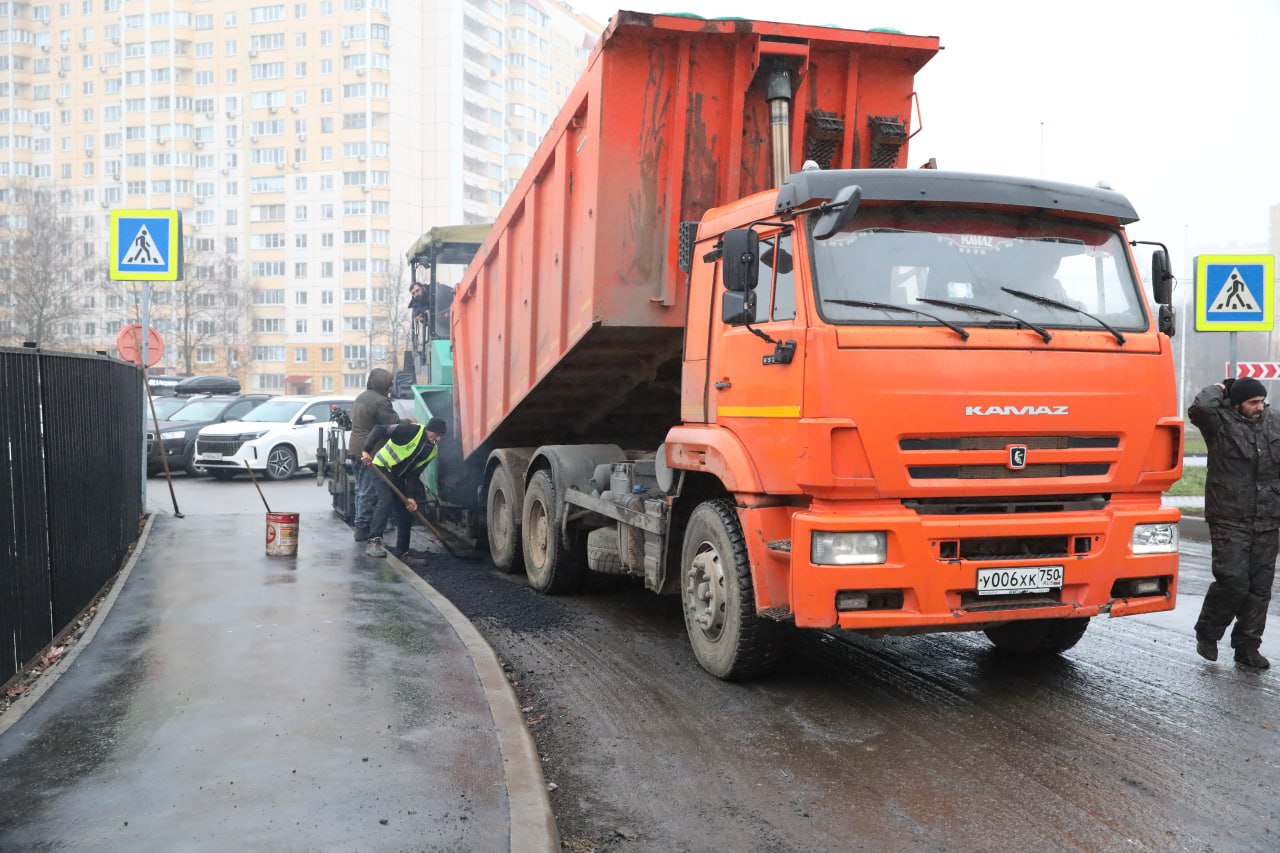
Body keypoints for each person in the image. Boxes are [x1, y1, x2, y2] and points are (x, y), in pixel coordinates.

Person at [1188, 376, 1278, 670]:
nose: (1260, 407)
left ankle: (1247, 647)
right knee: (1234, 582)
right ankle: (1208, 632)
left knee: (1260, 588)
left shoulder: (1273, 421)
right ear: (1237, 403)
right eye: (1253, 402)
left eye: (1262, 401)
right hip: (1229, 516)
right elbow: (1200, 407)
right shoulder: (1219, 425)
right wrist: (1220, 388)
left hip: (1267, 518)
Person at [361, 416, 446, 559]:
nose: (438, 439)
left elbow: (414, 474)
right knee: (386, 500)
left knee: (406, 512)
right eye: (437, 435)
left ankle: (402, 551)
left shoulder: (432, 451)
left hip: (396, 477)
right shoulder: (410, 430)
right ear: (429, 430)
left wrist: (410, 497)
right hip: (381, 467)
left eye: (441, 436)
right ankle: (374, 542)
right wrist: (366, 450)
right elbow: (379, 429)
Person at [348, 368, 398, 543]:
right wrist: (408, 423)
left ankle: (360, 524)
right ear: (382, 383)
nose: (391, 388)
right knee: (368, 492)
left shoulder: (360, 397)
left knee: (360, 489)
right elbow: (392, 424)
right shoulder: (381, 402)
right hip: (370, 452)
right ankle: (363, 528)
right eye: (389, 384)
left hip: (355, 449)